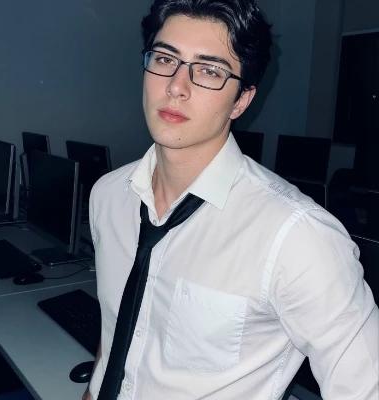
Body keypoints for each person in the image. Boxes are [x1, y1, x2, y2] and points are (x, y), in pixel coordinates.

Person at [84, 0, 379, 398]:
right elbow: (117, 327)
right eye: (165, 59)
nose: (176, 86)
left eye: (209, 70)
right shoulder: (107, 196)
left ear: (241, 100)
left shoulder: (296, 236)